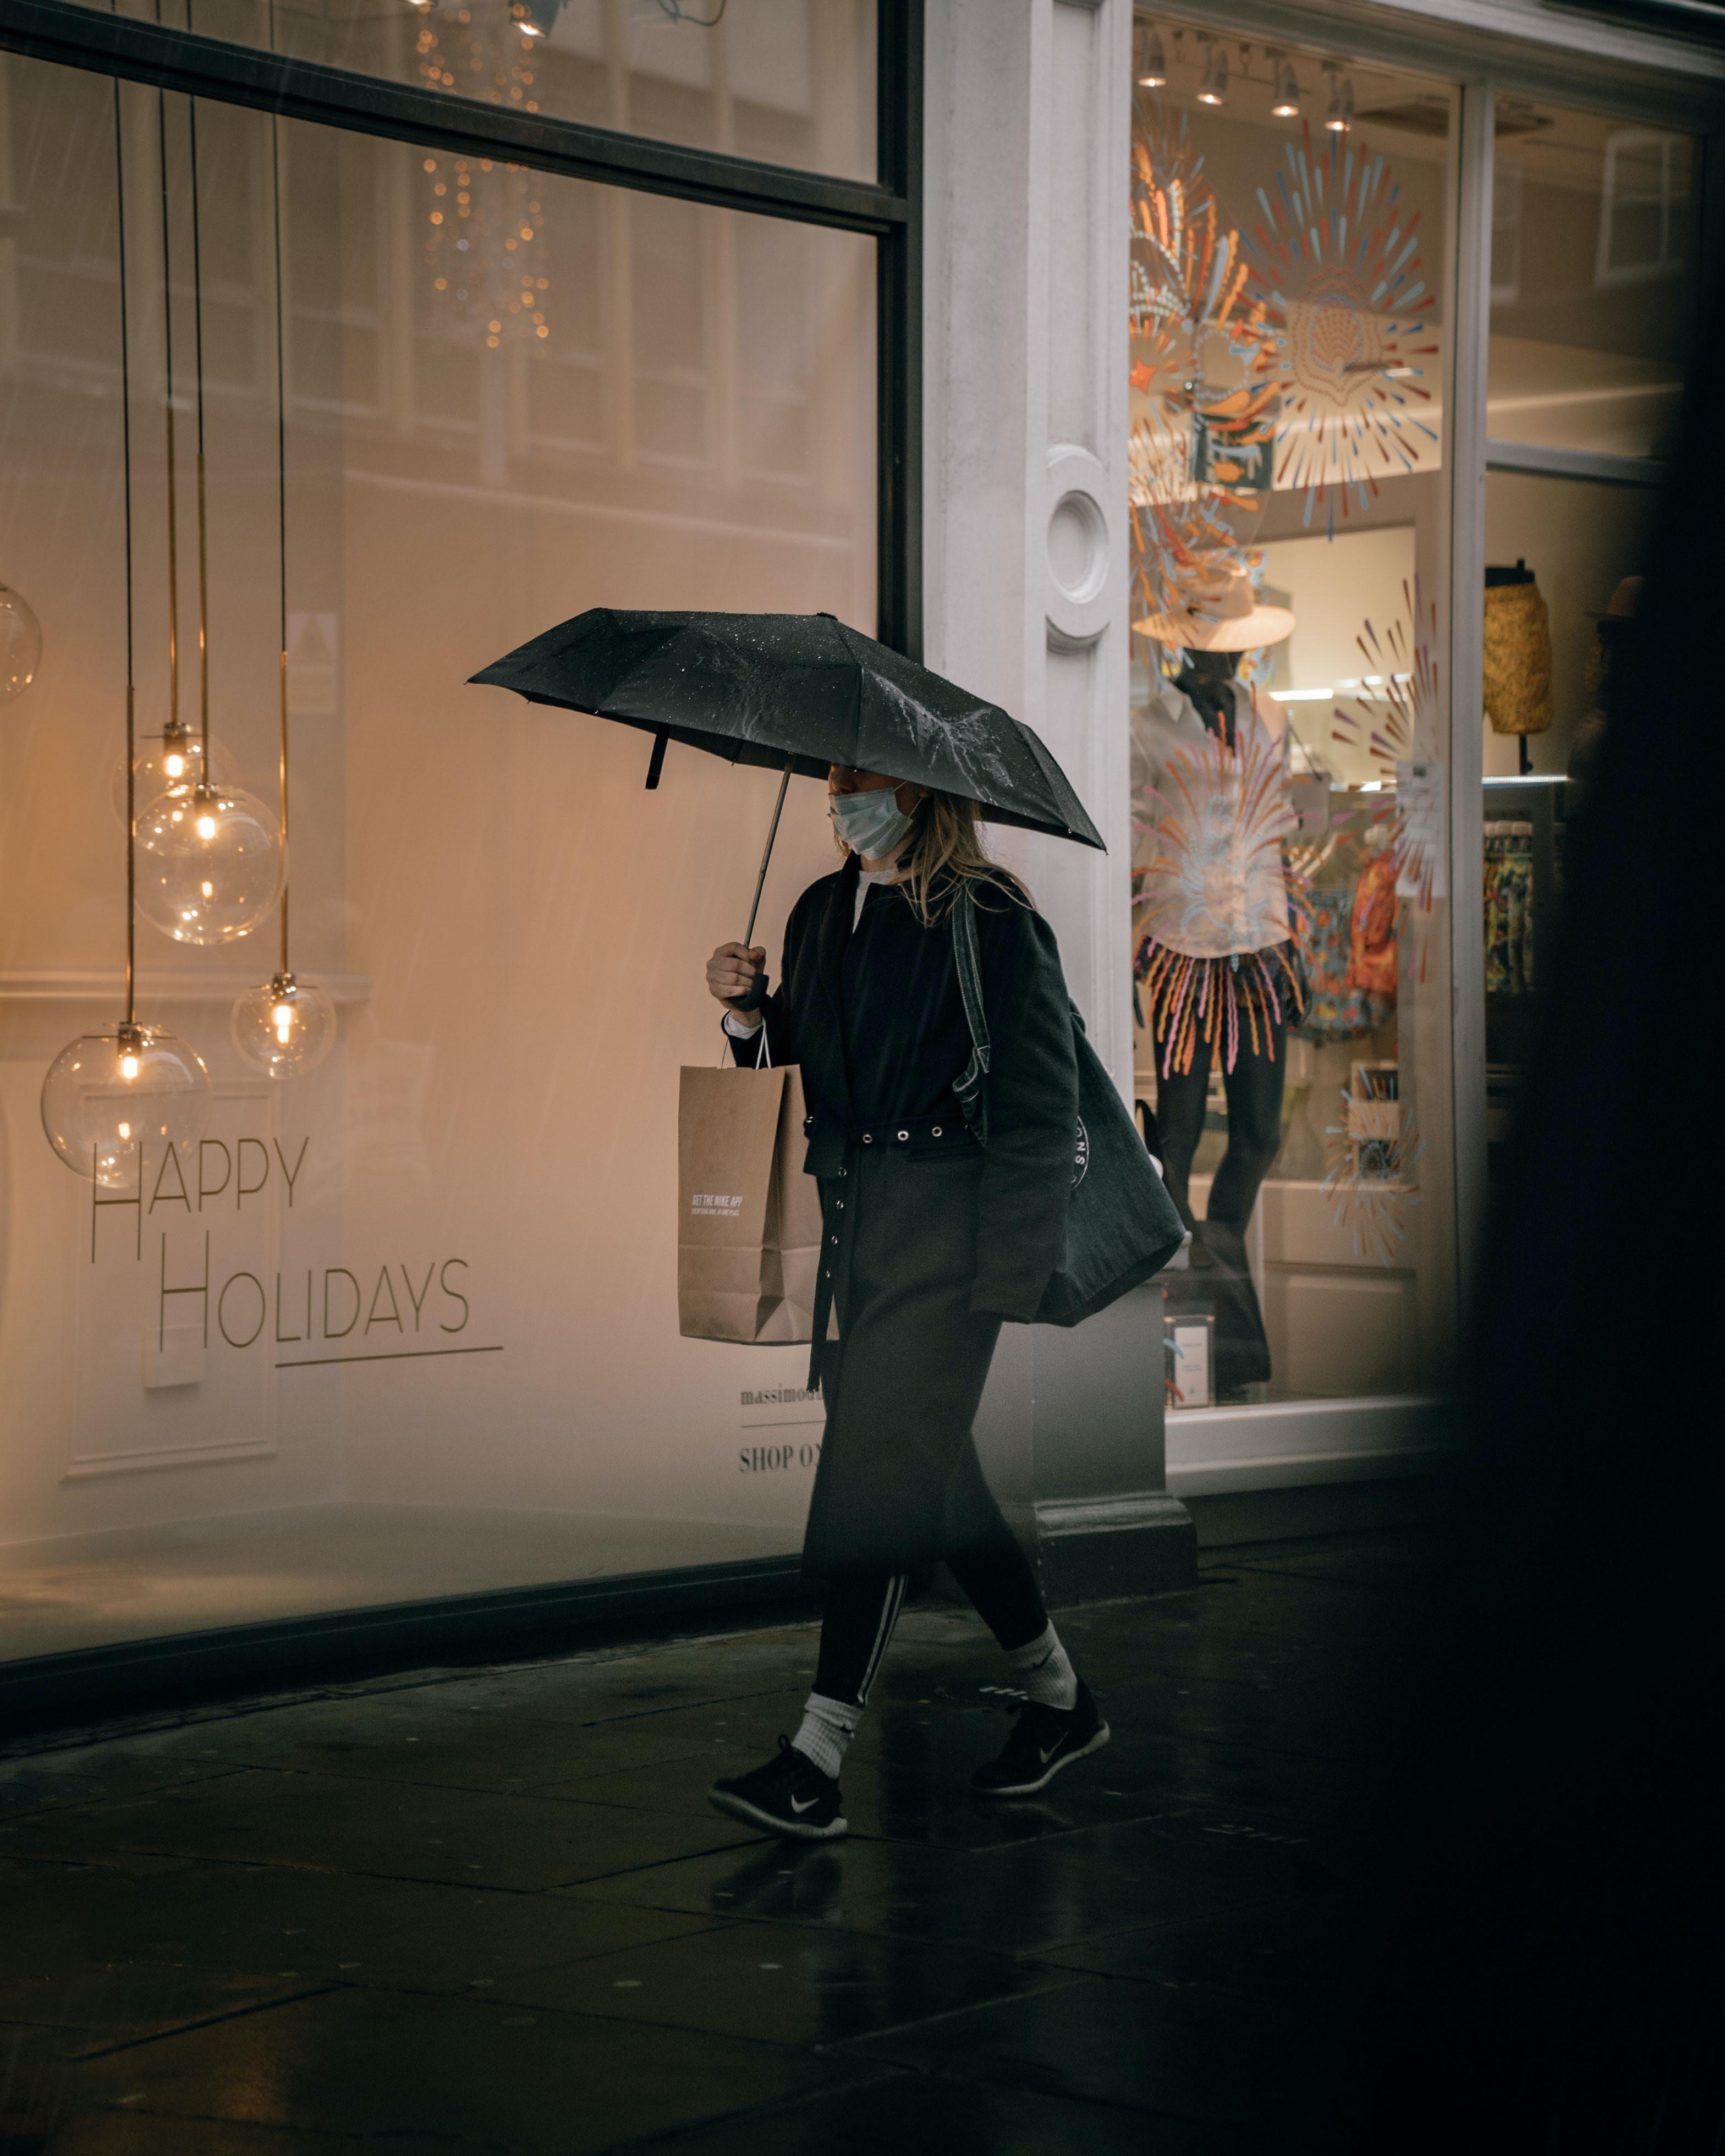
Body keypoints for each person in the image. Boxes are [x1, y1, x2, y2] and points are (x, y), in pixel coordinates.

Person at [701, 765, 1106, 1841]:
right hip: (856, 1234)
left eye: (861, 780)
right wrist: (747, 1013)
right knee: (935, 1483)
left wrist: (1008, 1274)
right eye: (831, 778)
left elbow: (1039, 1097)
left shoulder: (989, 917)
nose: (838, 795)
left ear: (921, 793)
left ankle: (816, 1754)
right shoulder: (820, 909)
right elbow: (800, 1073)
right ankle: (1061, 1698)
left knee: (880, 1476)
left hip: (953, 1237)